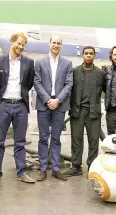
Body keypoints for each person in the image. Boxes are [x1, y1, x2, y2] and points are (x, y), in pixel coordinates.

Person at [0, 32, 36, 187]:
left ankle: (22, 172)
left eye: (23, 45)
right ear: (11, 42)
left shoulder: (29, 62)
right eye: (19, 43)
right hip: (4, 104)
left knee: (20, 142)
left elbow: (29, 83)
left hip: (21, 105)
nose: (21, 47)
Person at [33, 35, 73, 181]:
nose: (56, 45)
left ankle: (55, 169)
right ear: (49, 44)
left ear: (61, 45)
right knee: (43, 138)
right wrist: (48, 100)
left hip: (60, 105)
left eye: (58, 43)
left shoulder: (67, 63)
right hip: (44, 105)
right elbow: (36, 82)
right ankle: (43, 168)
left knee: (56, 139)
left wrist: (58, 100)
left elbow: (69, 84)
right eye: (54, 42)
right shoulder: (39, 62)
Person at [63, 46, 105, 176]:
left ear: (94, 56)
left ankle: (92, 166)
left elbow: (106, 91)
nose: (88, 55)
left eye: (91, 53)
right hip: (77, 111)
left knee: (93, 141)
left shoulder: (100, 73)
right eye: (86, 53)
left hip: (94, 112)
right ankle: (76, 166)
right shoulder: (74, 71)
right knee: (76, 140)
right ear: (82, 55)